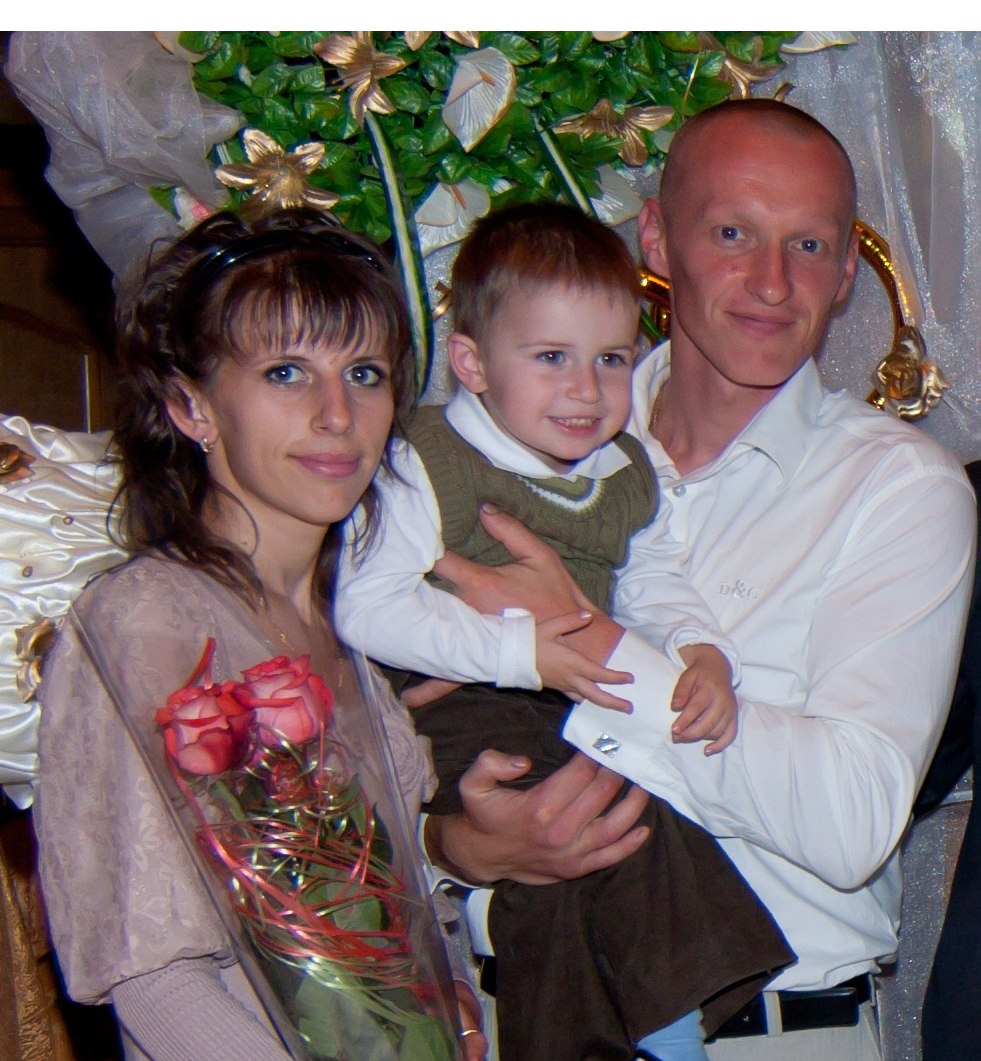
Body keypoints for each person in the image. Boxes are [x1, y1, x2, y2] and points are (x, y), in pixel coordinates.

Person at [422, 99, 976, 1061]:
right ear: (655, 239)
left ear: (847, 272)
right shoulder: (504, 449)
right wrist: (457, 848)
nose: (771, 281)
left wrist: (587, 641)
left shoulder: (897, 489)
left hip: (772, 1034)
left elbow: (851, 820)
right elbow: (395, 732)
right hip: (510, 1017)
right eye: (731, 233)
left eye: (808, 245)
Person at [336, 202, 793, 1061]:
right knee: (615, 820)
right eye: (550, 357)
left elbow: (649, 575)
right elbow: (368, 607)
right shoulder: (422, 457)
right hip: (455, 701)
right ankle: (672, 1036)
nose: (585, 389)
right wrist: (518, 650)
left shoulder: (626, 466)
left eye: (610, 359)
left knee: (570, 864)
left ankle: (626, 1038)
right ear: (471, 362)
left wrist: (700, 651)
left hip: (561, 697)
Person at [33, 208, 488, 1061]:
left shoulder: (350, 631)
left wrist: (448, 998)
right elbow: (152, 977)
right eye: (286, 372)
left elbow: (396, 913)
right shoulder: (147, 621)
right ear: (191, 404)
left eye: (364, 372)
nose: (336, 413)